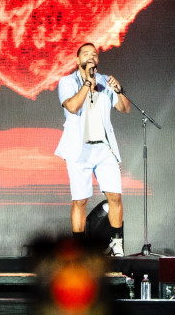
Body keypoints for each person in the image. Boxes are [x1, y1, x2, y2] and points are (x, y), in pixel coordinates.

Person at [55, 42, 131, 257]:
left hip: (104, 148)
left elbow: (125, 108)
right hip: (79, 149)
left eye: (94, 54)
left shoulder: (105, 81)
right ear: (77, 60)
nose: (91, 56)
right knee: (80, 200)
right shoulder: (67, 81)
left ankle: (117, 241)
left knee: (114, 196)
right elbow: (71, 106)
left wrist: (119, 90)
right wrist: (87, 84)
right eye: (86, 54)